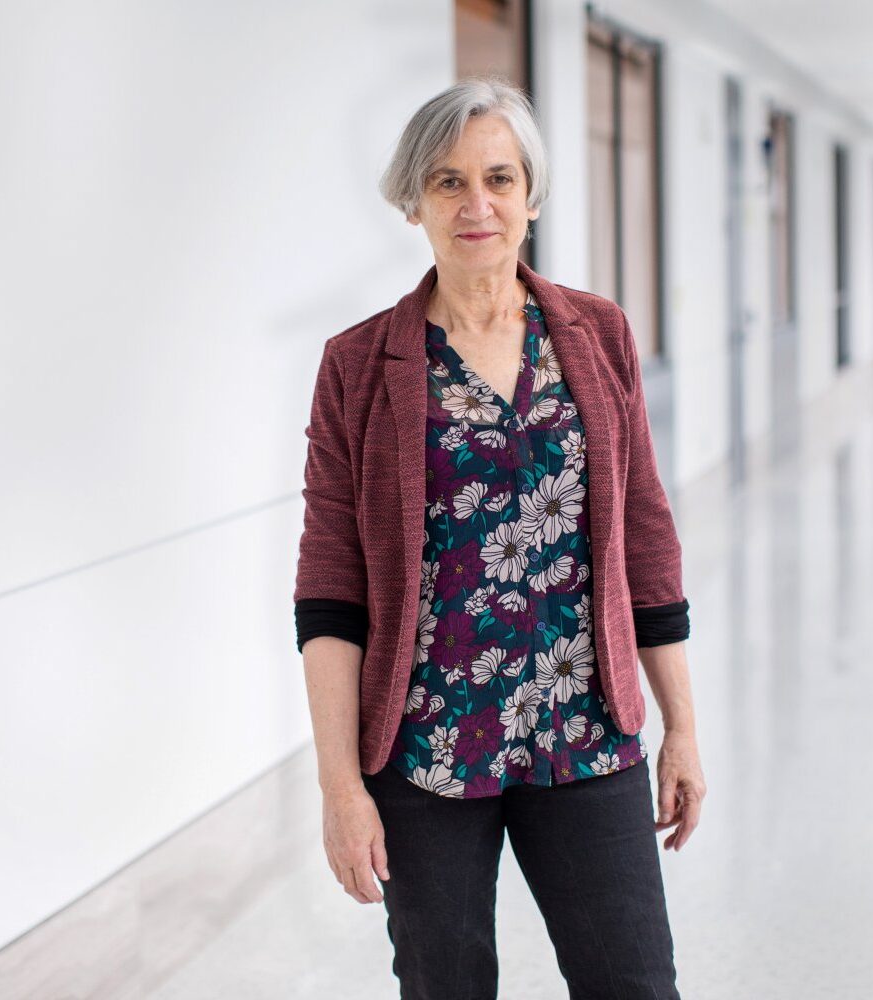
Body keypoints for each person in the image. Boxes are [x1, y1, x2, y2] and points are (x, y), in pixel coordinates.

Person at [293, 75, 706, 1000]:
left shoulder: (597, 337)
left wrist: (681, 727)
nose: (476, 204)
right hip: (426, 748)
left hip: (587, 731)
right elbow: (329, 592)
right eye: (446, 182)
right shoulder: (358, 366)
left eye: (499, 178)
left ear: (531, 194)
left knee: (636, 983)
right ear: (414, 201)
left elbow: (646, 539)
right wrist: (339, 788)